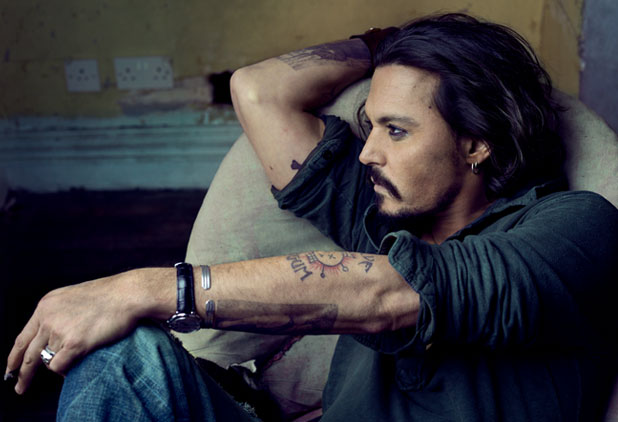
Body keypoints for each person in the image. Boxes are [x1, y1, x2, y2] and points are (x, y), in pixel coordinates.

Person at [5, 13, 618, 421]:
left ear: (477, 142)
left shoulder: (576, 230)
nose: (368, 152)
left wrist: (147, 288)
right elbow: (259, 91)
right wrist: (394, 44)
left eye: (396, 130)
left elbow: (393, 293)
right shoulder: (380, 213)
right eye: (369, 126)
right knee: (126, 357)